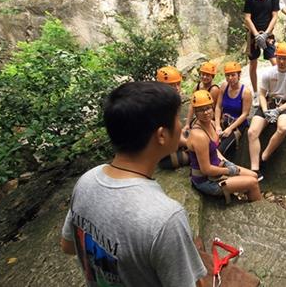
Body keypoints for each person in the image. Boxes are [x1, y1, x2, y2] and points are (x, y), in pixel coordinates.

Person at [60, 82, 207, 286]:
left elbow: (68, 245)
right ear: (161, 135)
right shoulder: (166, 218)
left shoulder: (86, 181)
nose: (182, 125)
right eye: (177, 118)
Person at [187, 90, 261, 202]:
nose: (206, 112)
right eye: (201, 110)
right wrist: (228, 171)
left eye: (208, 108)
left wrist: (226, 162)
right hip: (206, 180)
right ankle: (256, 210)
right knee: (253, 183)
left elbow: (214, 150)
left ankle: (246, 193)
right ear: (195, 112)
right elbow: (206, 169)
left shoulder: (211, 123)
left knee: (254, 176)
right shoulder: (199, 136)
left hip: (218, 167)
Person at [247, 42, 286, 181]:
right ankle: (255, 169)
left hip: (285, 105)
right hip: (269, 102)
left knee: (283, 128)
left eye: (285, 58)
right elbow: (261, 94)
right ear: (276, 57)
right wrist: (266, 110)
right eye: (279, 58)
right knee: (252, 132)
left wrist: (279, 110)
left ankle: (264, 157)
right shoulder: (268, 73)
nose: (281, 61)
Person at [244, 0, 279, 106]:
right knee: (253, 64)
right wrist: (255, 34)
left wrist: (266, 34)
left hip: (268, 35)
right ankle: (255, 93)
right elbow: (247, 18)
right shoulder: (250, 0)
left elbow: (275, 16)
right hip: (253, 35)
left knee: (274, 62)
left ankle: (276, 91)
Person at [213, 61, 253, 158]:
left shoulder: (245, 92)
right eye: (227, 75)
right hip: (224, 121)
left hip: (237, 125)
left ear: (239, 75)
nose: (230, 78)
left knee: (219, 151)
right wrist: (217, 125)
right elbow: (218, 107)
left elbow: (245, 114)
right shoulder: (224, 86)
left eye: (233, 75)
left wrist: (230, 129)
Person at [156, 66, 190, 169]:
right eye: (172, 85)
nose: (177, 88)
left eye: (178, 84)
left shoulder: (168, 101)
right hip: (165, 155)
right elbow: (170, 135)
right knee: (199, 154)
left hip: (170, 144)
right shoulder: (161, 106)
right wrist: (191, 144)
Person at [183, 62, 220, 137]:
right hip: (200, 116)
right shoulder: (197, 86)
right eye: (203, 74)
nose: (204, 77)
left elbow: (215, 108)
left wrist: (217, 125)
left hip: (210, 117)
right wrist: (187, 124)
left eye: (207, 75)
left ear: (212, 76)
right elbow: (192, 105)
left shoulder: (214, 89)